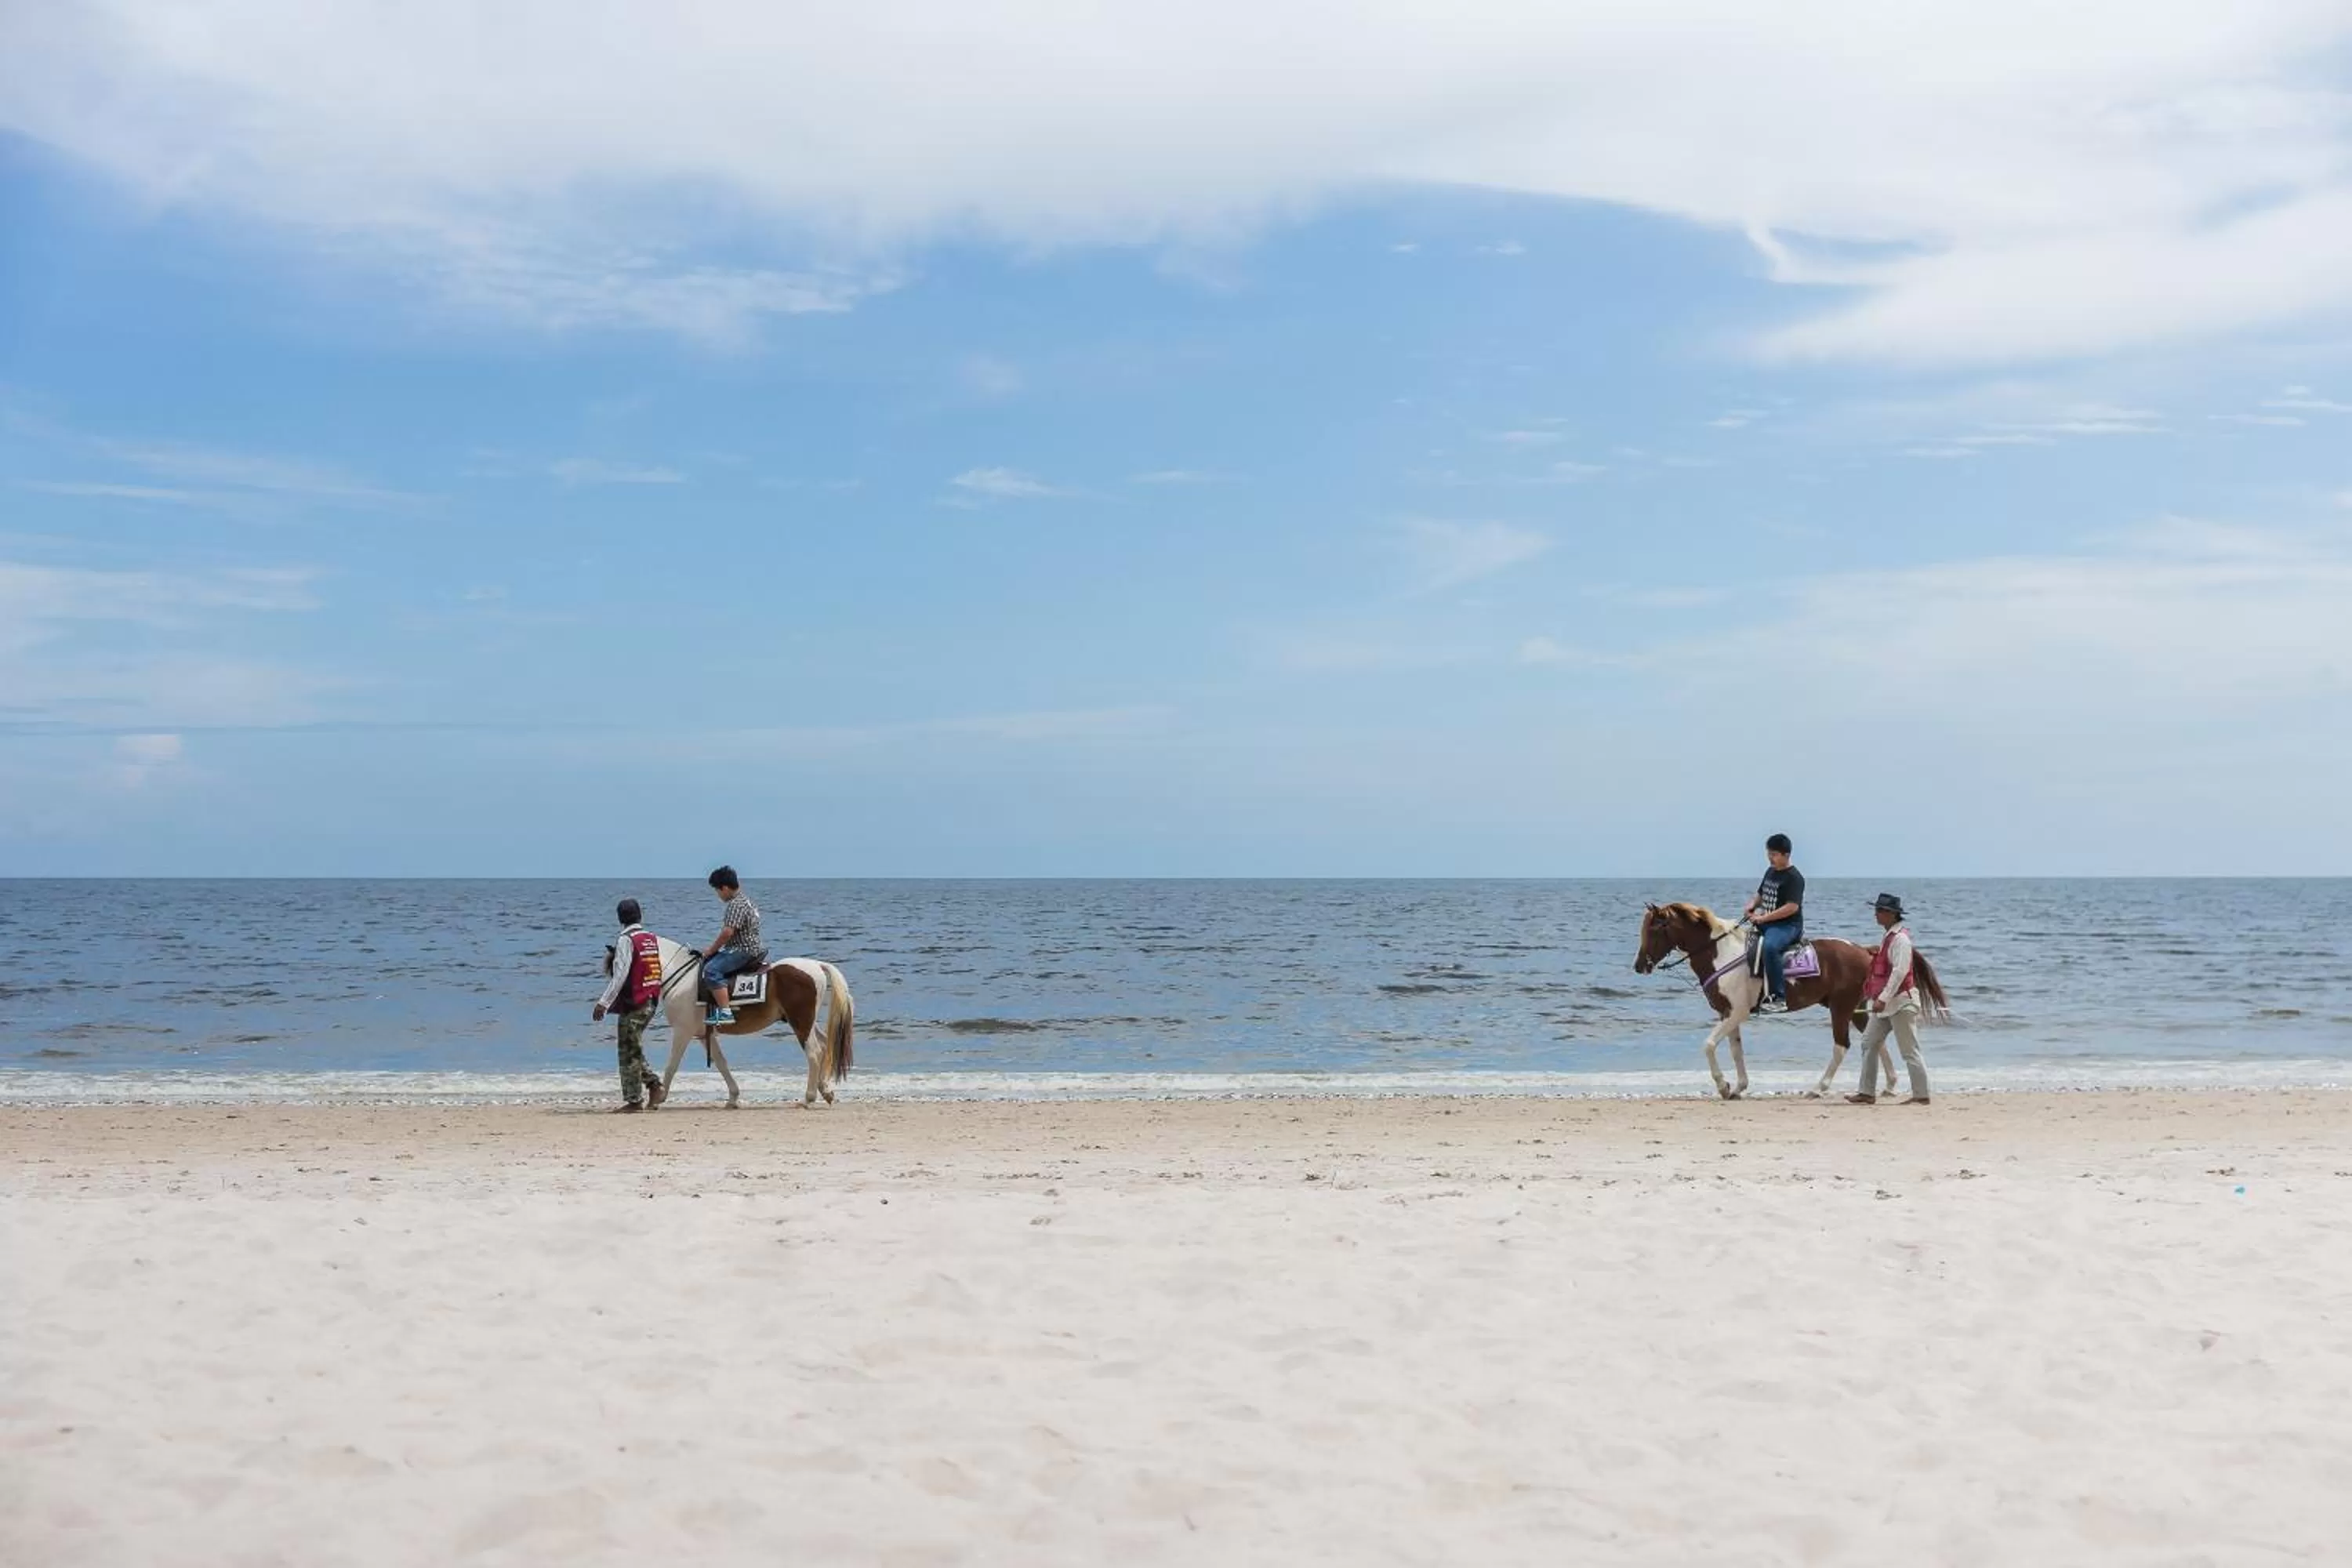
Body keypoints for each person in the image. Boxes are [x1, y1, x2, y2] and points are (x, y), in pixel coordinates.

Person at [1849, 892, 1930, 1105]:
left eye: (1880, 911)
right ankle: (1866, 1092)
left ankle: (1921, 1095)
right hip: (1887, 1005)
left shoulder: (1901, 939)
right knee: (1868, 1042)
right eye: (1877, 910)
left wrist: (1883, 998)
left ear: (1891, 915)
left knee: (1909, 1050)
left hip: (1901, 1003)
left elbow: (1900, 971)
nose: (1876, 914)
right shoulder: (1889, 937)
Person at [592, 898, 668, 1112]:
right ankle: (654, 1087)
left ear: (620, 919)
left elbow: (620, 974)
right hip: (652, 999)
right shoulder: (650, 938)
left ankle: (635, 1099)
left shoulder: (626, 940)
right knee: (632, 1045)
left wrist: (603, 1003)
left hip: (636, 1002)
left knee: (627, 1050)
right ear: (640, 915)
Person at [1743, 833, 1806, 1014]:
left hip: (1788, 926)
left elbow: (1792, 907)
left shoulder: (1794, 878)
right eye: (1769, 854)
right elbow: (1761, 894)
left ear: (1786, 855)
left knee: (1770, 948)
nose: (1770, 858)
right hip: (1769, 922)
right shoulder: (1770, 871)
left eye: (1774, 855)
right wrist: (1751, 906)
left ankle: (1779, 997)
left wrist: (1762, 918)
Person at [698, 866, 768, 1025]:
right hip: (753, 947)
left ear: (725, 888)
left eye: (717, 891)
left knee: (711, 970)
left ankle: (725, 1012)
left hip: (742, 950)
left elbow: (727, 933)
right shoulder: (747, 901)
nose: (718, 895)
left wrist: (711, 950)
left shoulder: (735, 904)